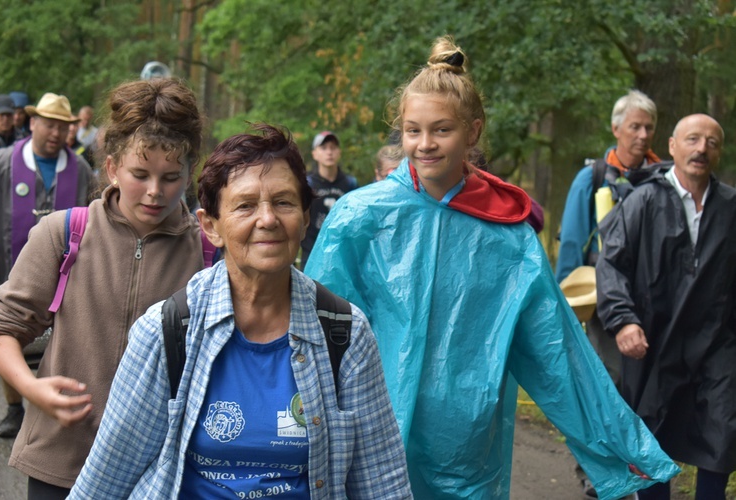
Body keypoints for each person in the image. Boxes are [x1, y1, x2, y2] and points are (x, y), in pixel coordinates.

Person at [304, 35, 680, 499]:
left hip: (465, 445)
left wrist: (622, 449)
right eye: (412, 130)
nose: (424, 145)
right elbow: (316, 328)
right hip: (372, 433)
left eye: (441, 130)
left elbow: (555, 350)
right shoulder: (359, 218)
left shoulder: (508, 234)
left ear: (473, 131)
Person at [69, 124, 412, 499]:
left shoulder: (344, 334)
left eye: (283, 202)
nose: (267, 219)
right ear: (211, 226)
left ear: (304, 217)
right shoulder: (169, 331)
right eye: (245, 205)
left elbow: (383, 483)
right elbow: (106, 476)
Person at [0, 77, 206, 499]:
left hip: (160, 470)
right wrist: (32, 389)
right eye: (140, 174)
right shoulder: (62, 233)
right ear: (112, 168)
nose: (155, 192)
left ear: (189, 172)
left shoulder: (207, 250)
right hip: (62, 459)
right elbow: (2, 331)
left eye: (171, 177)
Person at [596, 114, 736, 500]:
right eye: (693, 139)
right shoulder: (643, 201)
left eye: (711, 141)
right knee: (652, 442)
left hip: (717, 345)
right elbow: (611, 266)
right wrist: (623, 320)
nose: (701, 148)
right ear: (673, 146)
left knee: (721, 436)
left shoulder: (730, 207)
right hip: (654, 342)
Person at [0, 92, 95, 439]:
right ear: (32, 123)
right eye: (48, 124)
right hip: (8, 264)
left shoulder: (79, 168)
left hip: (67, 273)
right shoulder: (1, 162)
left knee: (62, 340)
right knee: (10, 333)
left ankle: (53, 402)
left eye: (62, 127)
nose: (55, 133)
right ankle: (14, 406)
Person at [556, 90, 661, 393]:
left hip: (654, 299)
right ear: (616, 129)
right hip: (604, 297)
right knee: (610, 380)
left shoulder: (665, 178)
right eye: (635, 127)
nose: (643, 135)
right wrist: (567, 307)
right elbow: (573, 245)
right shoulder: (592, 178)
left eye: (649, 127)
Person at [299, 130, 357, 270]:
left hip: (342, 255)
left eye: (333, 147)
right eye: (324, 148)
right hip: (312, 253)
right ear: (315, 154)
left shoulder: (350, 184)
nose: (329, 152)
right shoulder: (307, 184)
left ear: (339, 152)